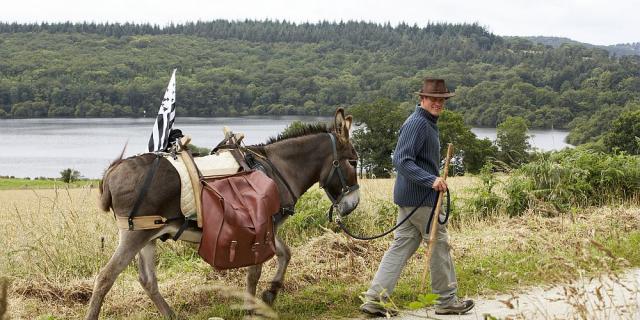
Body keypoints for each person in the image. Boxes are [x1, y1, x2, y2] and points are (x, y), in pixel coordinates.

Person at [360, 78, 474, 317]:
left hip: (412, 199)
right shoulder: (418, 123)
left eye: (442, 100)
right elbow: (401, 160)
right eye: (433, 99)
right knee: (439, 246)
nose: (438, 103)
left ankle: (374, 300)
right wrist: (430, 180)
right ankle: (446, 301)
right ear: (422, 99)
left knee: (401, 246)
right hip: (421, 200)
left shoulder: (426, 122)